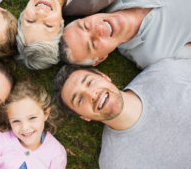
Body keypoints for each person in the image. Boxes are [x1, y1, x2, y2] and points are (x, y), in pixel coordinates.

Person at [53, 58, 191, 168]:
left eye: (90, 82)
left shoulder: (165, 73)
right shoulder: (113, 163)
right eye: (80, 99)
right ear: (84, 117)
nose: (92, 94)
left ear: (104, 76)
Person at [60, 0, 191, 69]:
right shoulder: (151, 57)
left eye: (86, 26)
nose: (99, 29)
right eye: (93, 43)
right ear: (100, 58)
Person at [13, 0, 139, 69]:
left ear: (22, 15)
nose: (40, 13)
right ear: (61, 24)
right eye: (48, 26)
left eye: (30, 21)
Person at [0, 81, 67, 168]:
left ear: (45, 114)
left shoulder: (56, 154)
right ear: (8, 119)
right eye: (16, 121)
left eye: (32, 118)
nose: (25, 127)